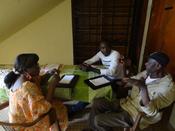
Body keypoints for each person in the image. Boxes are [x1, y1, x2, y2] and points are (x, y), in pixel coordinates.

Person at [85, 52, 175, 131]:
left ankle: (99, 127)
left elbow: (151, 112)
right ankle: (93, 128)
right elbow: (131, 80)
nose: (145, 63)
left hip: (136, 115)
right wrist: (123, 77)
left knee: (98, 120)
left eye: (149, 62)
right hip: (127, 103)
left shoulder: (168, 88)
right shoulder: (148, 73)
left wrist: (143, 88)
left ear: (158, 66)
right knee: (97, 102)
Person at [4, 53, 68, 131]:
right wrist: (52, 85)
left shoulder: (19, 78)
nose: (39, 67)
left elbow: (38, 80)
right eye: (35, 66)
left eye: (37, 64)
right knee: (56, 108)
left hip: (18, 121)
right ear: (25, 70)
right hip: (27, 125)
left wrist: (48, 74)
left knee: (57, 104)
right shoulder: (27, 87)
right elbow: (45, 108)